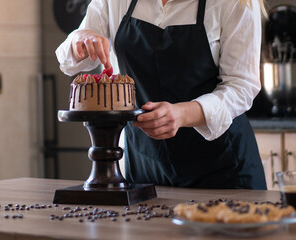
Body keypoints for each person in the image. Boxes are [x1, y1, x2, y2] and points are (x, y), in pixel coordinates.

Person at [56, 0, 267, 189]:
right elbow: (70, 56)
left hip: (223, 170)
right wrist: (79, 39)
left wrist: (182, 114)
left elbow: (241, 86)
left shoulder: (235, 3)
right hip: (144, 167)